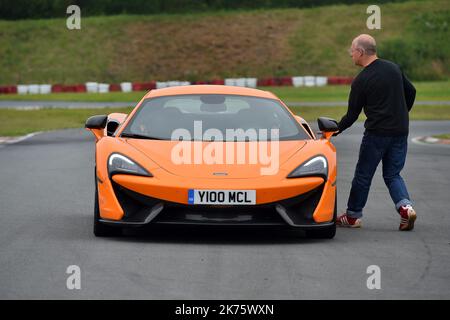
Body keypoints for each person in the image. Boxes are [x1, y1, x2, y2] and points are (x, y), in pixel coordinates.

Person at [335, 34, 417, 231]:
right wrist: (400, 115)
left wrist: (335, 129)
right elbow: (411, 91)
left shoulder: (361, 80)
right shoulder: (393, 68)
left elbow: (352, 115)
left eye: (352, 50)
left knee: (363, 175)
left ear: (361, 52)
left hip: (377, 134)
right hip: (400, 130)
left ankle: (353, 216)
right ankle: (406, 208)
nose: (350, 54)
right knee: (393, 174)